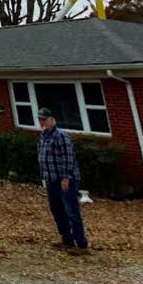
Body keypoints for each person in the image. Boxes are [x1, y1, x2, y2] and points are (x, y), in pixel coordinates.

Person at [36, 107, 89, 255]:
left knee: (71, 211)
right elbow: (43, 158)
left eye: (44, 119)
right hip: (51, 179)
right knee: (57, 210)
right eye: (40, 119)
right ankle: (67, 240)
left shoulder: (61, 136)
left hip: (65, 180)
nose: (42, 122)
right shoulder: (43, 136)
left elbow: (68, 158)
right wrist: (44, 177)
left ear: (52, 119)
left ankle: (81, 244)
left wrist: (66, 178)